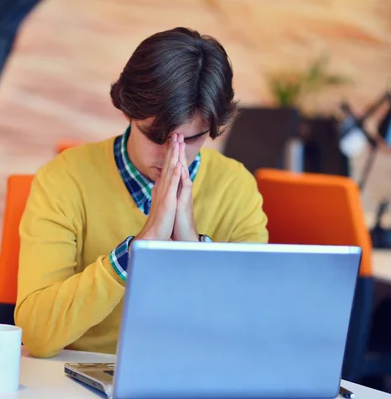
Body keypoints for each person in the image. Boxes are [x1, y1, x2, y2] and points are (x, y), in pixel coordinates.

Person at [15, 27, 269, 358]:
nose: (171, 155)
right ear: (127, 110)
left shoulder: (236, 188)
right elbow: (37, 333)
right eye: (154, 136)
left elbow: (252, 331)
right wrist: (138, 249)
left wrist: (191, 247)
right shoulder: (64, 178)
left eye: (191, 139)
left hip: (193, 377)